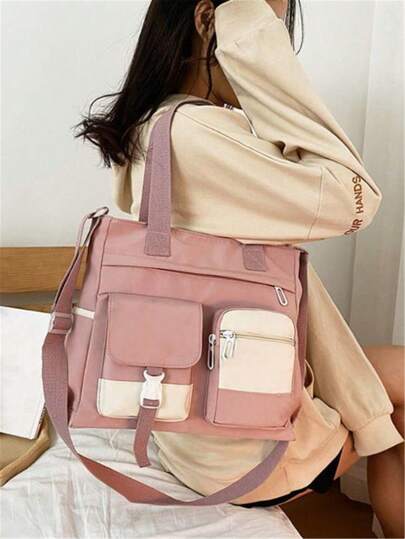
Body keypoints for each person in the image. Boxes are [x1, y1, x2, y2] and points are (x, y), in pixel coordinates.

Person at [77, 1, 404, 536]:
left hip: (193, 428)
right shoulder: (198, 134)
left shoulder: (151, 125)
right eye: (265, 29)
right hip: (249, 449)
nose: (275, 49)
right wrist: (251, 38)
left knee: (392, 400)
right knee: (396, 405)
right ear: (211, 20)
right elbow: (355, 198)